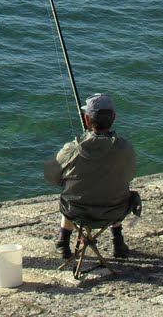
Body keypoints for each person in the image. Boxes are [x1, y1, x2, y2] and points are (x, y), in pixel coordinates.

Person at [44, 93, 138, 259]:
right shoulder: (125, 148)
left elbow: (51, 175)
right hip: (114, 211)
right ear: (114, 118)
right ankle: (118, 242)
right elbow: (129, 175)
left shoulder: (72, 149)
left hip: (78, 213)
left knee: (68, 195)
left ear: (87, 119)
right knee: (118, 188)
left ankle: (62, 242)